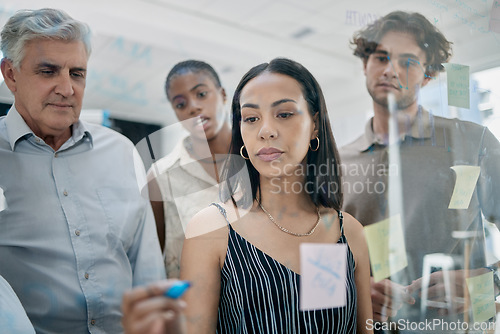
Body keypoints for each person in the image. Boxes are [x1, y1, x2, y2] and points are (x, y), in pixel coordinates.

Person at [0, 8, 165, 333]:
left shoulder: (120, 152)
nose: (67, 88)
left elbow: (145, 264)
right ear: (11, 74)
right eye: (48, 71)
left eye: (77, 73)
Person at [180, 58, 373, 333]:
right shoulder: (211, 229)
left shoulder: (348, 231)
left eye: (283, 114)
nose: (266, 131)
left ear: (314, 125)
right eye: (251, 118)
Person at [340, 10, 500, 330]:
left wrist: (488, 285)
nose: (390, 69)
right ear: (365, 64)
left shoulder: (472, 141)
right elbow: (320, 268)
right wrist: (352, 290)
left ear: (428, 75)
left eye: (408, 61)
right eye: (381, 57)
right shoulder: (338, 162)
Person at [148, 60, 232, 278]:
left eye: (202, 94)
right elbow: (151, 259)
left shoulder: (260, 159)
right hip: (192, 304)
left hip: (260, 303)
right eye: (180, 104)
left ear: (222, 94)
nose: (193, 107)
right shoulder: (161, 175)